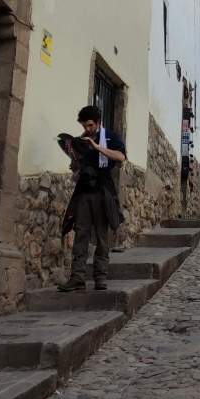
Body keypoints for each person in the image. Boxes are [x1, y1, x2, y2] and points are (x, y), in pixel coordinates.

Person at [58, 105, 126, 291]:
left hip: (103, 191)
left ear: (98, 122)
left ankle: (100, 277)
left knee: (102, 237)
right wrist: (74, 162)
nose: (87, 129)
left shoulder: (111, 137)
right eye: (84, 126)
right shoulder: (80, 141)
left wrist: (97, 147)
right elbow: (76, 164)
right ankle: (77, 277)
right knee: (81, 234)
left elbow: (120, 157)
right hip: (84, 191)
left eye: (90, 125)